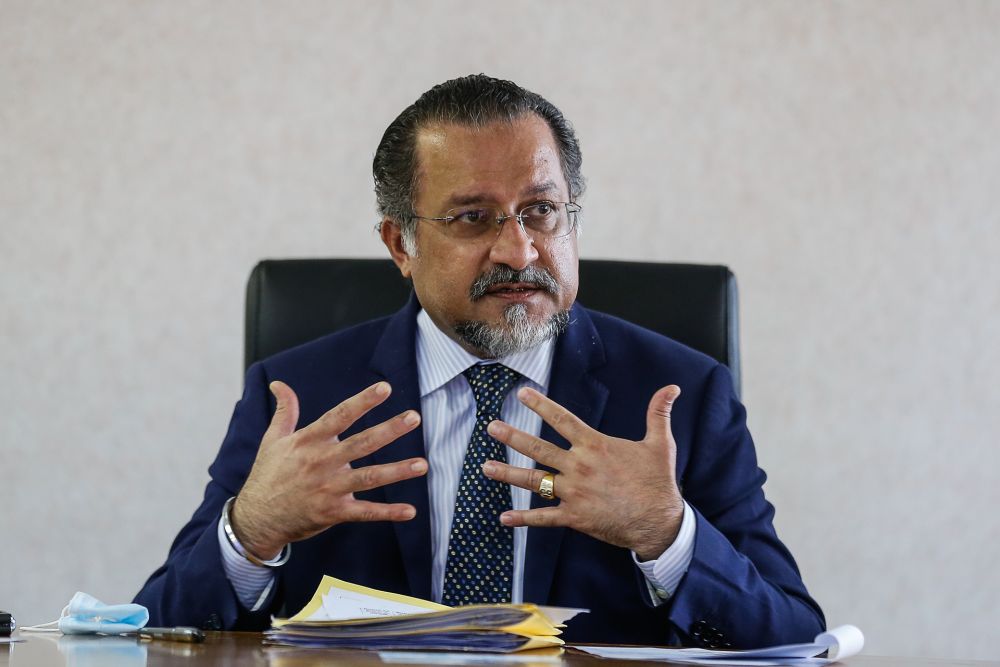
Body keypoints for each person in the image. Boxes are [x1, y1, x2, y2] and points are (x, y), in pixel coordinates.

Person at [135, 74, 824, 648]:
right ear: (400, 244)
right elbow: (156, 631)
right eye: (472, 218)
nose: (519, 252)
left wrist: (666, 536)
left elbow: (793, 637)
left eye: (541, 211)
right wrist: (251, 532)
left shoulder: (679, 397)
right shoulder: (299, 395)